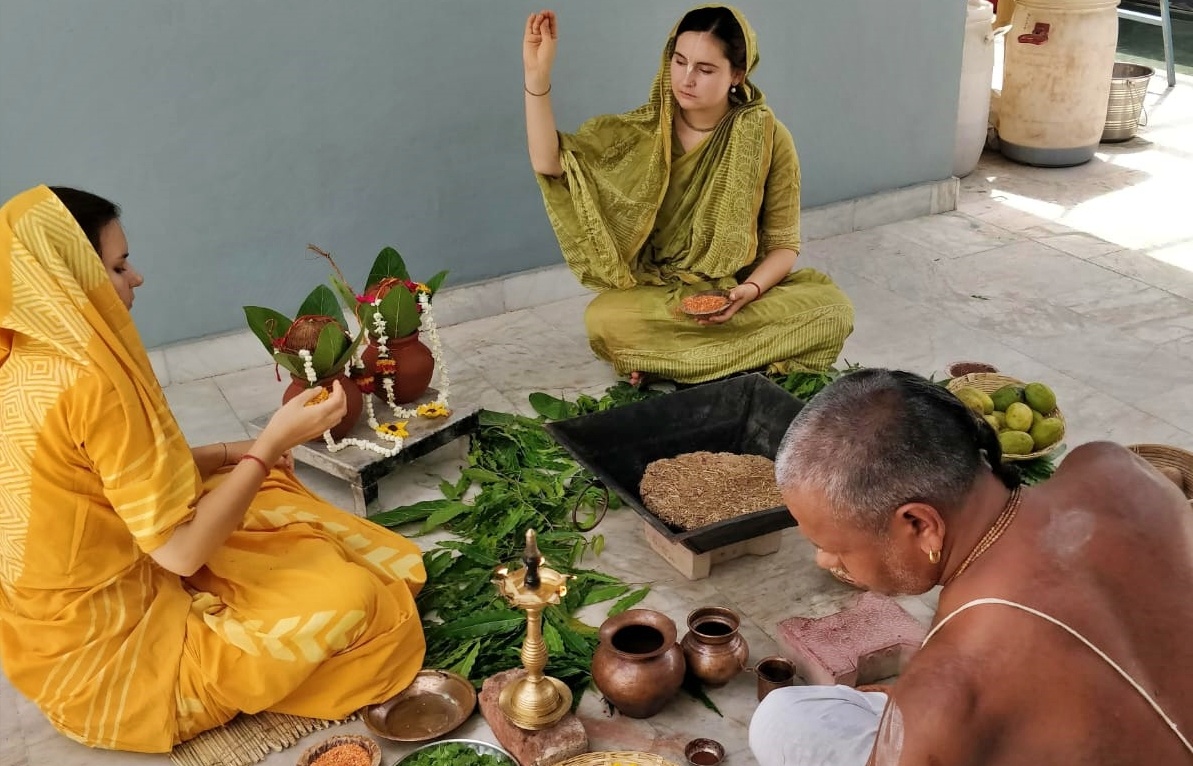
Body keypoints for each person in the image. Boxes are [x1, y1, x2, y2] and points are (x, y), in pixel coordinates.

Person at [0, 186, 427, 753]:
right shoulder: (94, 383)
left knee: (254, 484)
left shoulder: (22, 355)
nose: (137, 279)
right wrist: (272, 438)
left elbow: (100, 484)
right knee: (359, 601)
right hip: (118, 672)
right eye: (119, 265)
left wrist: (234, 454)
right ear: (69, 276)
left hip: (49, 645)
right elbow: (180, 554)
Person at [750, 369, 1193, 765]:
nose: (824, 560)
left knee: (782, 719)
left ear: (921, 525)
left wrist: (927, 720)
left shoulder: (948, 689)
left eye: (833, 547)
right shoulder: (1113, 465)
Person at [522, 6, 854, 386]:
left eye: (706, 69)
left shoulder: (767, 137)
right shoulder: (642, 133)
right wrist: (537, 77)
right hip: (662, 295)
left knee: (833, 311)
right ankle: (731, 359)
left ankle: (671, 361)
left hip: (736, 289)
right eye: (679, 62)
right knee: (604, 319)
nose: (686, 78)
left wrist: (748, 291)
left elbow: (783, 245)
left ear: (737, 75)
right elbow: (549, 162)